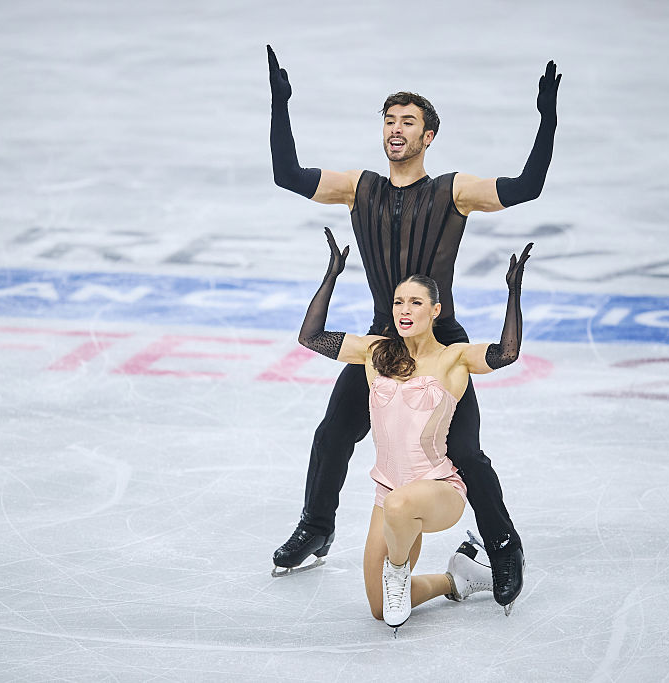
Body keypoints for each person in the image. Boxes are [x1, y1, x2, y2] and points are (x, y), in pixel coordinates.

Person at [267, 44, 560, 614]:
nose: (395, 129)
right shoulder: (359, 187)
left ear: (428, 136)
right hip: (383, 339)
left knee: (464, 451)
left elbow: (526, 186)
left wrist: (546, 119)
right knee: (334, 432)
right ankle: (317, 526)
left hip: (441, 339)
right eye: (389, 120)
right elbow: (287, 175)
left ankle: (503, 546)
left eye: (407, 122)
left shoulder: (453, 191)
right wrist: (281, 106)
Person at [297, 227, 532, 630]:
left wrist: (513, 293)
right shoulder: (375, 353)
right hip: (388, 491)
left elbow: (506, 353)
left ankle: (397, 571)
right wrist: (331, 276)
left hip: (437, 489)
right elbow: (311, 337)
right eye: (398, 302)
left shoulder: (454, 358)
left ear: (435, 310)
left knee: (400, 506)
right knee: (379, 609)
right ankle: (457, 579)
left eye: (416, 302)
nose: (404, 310)